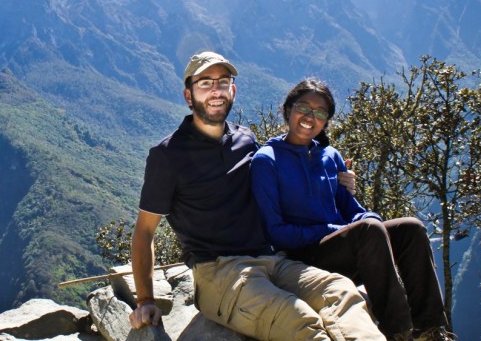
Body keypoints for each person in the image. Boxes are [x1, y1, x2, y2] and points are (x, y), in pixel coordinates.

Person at [128, 52, 385, 340]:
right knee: (299, 320)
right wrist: (145, 301)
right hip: (219, 271)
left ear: (233, 91)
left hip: (272, 260)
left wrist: (334, 177)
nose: (216, 91)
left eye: (223, 83)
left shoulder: (246, 140)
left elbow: (282, 176)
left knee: (342, 293)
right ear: (189, 96)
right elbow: (145, 232)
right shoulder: (167, 156)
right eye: (205, 83)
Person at [249, 78, 455, 341]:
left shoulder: (329, 156)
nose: (310, 117)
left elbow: (353, 210)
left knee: (410, 228)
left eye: (320, 112)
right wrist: (340, 229)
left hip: (345, 248)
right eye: (304, 107)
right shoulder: (267, 161)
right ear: (288, 109)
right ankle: (398, 331)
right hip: (303, 258)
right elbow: (275, 232)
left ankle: (429, 329)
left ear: (326, 121)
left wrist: (369, 219)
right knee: (367, 231)